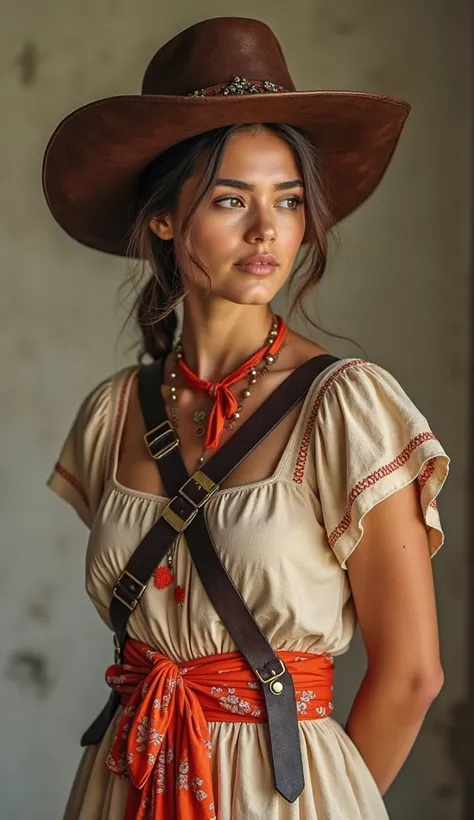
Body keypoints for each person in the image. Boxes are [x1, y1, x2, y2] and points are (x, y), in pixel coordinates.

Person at [42, 16, 450, 820]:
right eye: (232, 200)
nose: (269, 232)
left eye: (289, 201)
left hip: (280, 798)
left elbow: (411, 675)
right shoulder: (112, 412)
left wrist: (318, 803)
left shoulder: (348, 406)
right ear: (164, 218)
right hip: (126, 781)